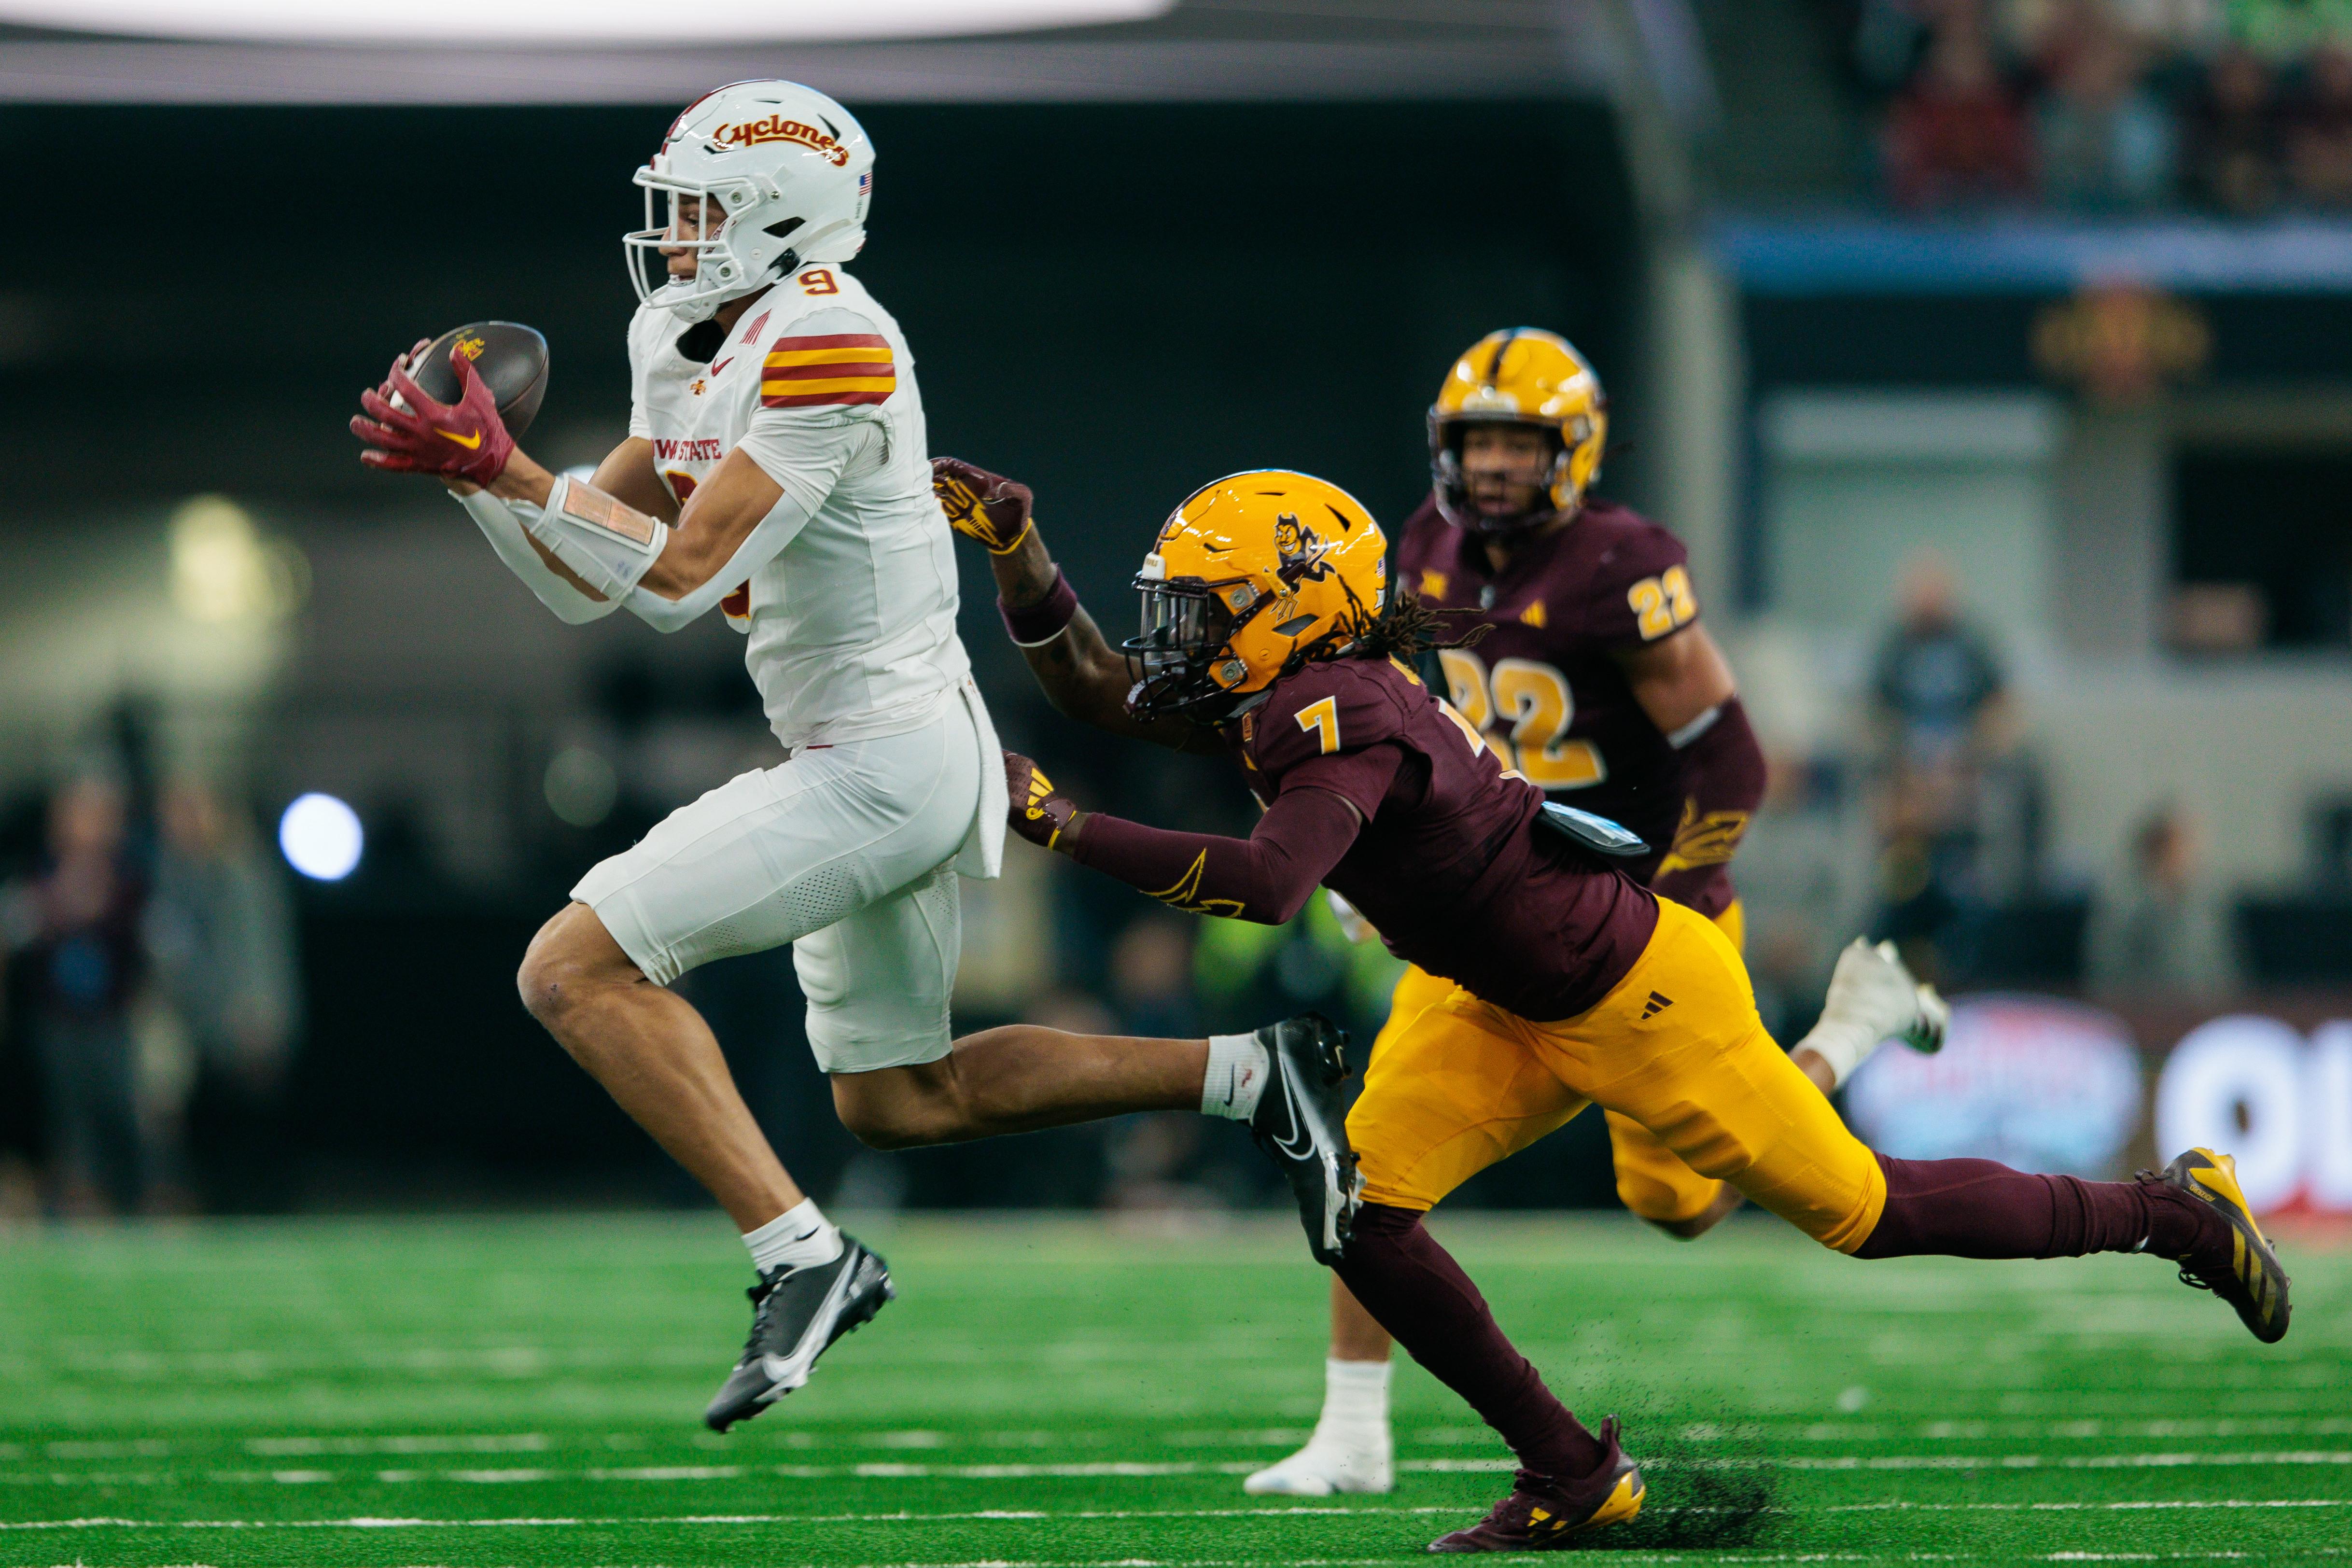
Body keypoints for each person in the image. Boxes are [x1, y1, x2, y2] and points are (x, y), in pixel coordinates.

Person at [942, 457, 2290, 1551]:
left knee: (1869, 1215)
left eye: (1205, 605)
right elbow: (1106, 686)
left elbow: (1268, 883)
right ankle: (1576, 1476)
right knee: (1363, 1215)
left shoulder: (1330, 707)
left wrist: (1061, 825)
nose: (1181, 632)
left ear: (1292, 609)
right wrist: (1019, 553)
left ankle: (2175, 1209)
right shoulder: (1287, 685)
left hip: (1631, 993)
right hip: (1490, 995)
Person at [348, 79, 1357, 1433]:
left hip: (881, 759)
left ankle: (804, 1258)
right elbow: (593, 572)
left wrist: (514, 477)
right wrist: (486, 480)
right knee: (900, 1099)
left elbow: (678, 579)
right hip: (893, 742)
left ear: (785, 220)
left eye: (705, 205)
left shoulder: (834, 338)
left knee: (571, 969)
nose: (679, 229)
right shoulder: (679, 327)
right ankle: (1257, 1072)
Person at [1238, 330, 1944, 1497]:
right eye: (1479, 443)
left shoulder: (1620, 564)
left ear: (1576, 448)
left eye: (1521, 444)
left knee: (1677, 1208)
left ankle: (1838, 1040)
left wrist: (1666, 897)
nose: (1498, 468)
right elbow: (1400, 715)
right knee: (1367, 1166)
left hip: (1630, 922)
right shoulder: (1418, 548)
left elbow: (1729, 754)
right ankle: (1352, 1435)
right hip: (1480, 908)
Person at [0, 778, 149, 1216]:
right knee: (66, 1122)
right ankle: (74, 1206)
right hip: (55, 1021)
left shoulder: (131, 881)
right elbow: (13, 936)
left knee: (123, 1115)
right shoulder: (34, 878)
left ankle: (137, 1203)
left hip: (114, 1020)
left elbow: (156, 946)